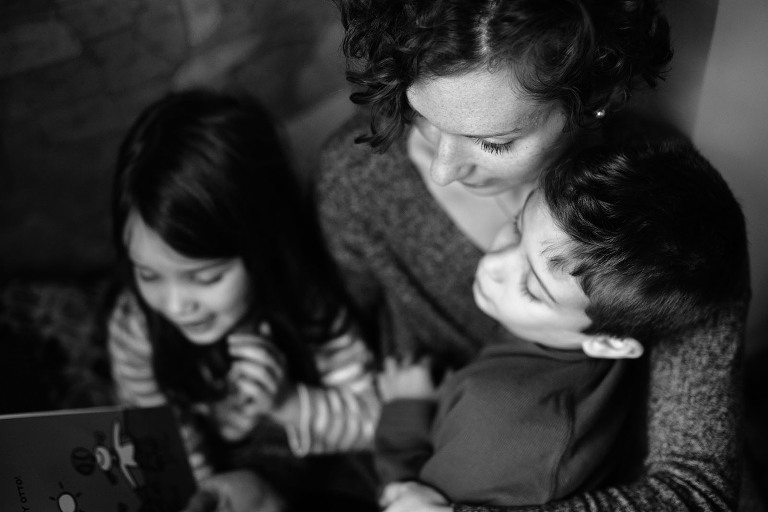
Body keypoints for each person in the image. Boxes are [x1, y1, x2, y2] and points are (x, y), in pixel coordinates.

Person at [317, 0, 751, 510]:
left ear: (588, 101)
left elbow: (695, 492)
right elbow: (339, 338)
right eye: (419, 117)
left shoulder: (671, 217)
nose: (441, 169)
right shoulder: (356, 177)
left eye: (494, 142)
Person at [373, 138, 749, 509]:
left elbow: (410, 497)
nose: (492, 264)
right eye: (518, 227)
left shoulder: (496, 422)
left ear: (610, 342)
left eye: (532, 288)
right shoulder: (593, 335)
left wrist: (405, 411)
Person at [106, 89, 380, 512]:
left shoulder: (307, 302)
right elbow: (166, 451)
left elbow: (372, 420)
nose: (177, 304)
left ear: (261, 247)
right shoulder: (137, 328)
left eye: (206, 277)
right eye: (148, 274)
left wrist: (289, 403)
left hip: (318, 472)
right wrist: (210, 494)